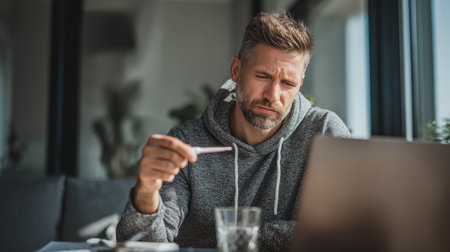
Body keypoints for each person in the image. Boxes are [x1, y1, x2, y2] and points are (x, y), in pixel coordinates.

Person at [117, 12, 350, 251]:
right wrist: (146, 192)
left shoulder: (324, 133)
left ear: (300, 83)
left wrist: (249, 239)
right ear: (236, 70)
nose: (273, 96)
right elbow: (142, 246)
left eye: (288, 84)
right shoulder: (186, 143)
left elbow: (344, 230)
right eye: (262, 76)